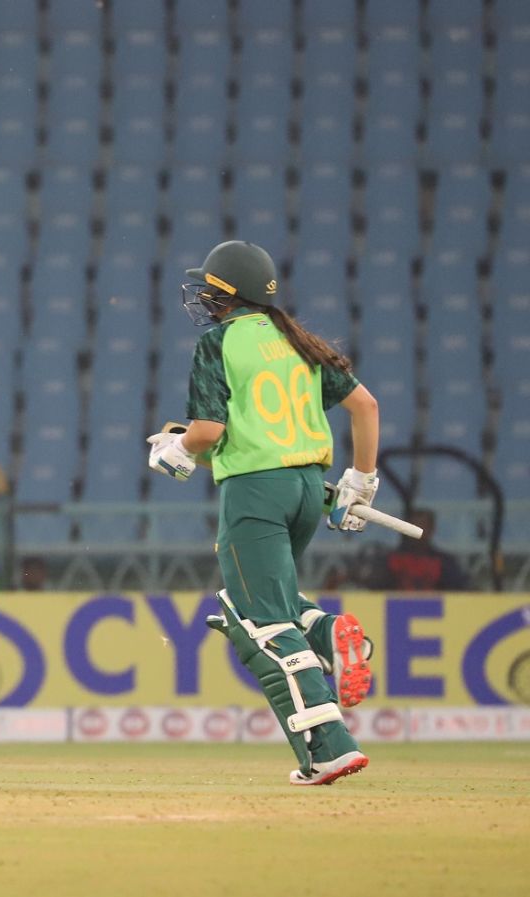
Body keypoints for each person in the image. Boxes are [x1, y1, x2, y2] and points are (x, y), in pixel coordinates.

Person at [145, 240, 380, 786]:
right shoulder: (298, 341)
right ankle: (330, 633)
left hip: (255, 492)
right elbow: (366, 406)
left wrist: (177, 450)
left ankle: (329, 748)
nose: (203, 296)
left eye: (210, 287)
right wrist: (361, 482)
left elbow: (209, 432)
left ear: (229, 293)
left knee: (261, 623)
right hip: (308, 488)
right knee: (259, 600)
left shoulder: (219, 341)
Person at [365, 507, 472, 591]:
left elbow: (458, 592)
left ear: (432, 528)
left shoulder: (444, 562)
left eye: (422, 526)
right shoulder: (391, 560)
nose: (416, 531)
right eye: (413, 526)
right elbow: (375, 591)